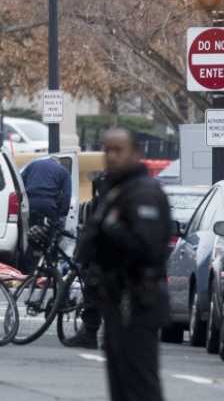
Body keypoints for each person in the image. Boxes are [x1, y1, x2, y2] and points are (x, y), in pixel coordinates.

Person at [78, 128, 171, 401]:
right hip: (115, 300)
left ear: (136, 154)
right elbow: (90, 245)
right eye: (107, 150)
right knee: (120, 386)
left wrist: (114, 231)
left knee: (140, 384)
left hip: (138, 299)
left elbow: (147, 248)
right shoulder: (114, 191)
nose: (112, 156)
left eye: (119, 150)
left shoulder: (144, 193)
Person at [63, 172, 110, 349]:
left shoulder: (102, 202)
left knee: (94, 292)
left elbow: (93, 232)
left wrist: (81, 257)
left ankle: (89, 333)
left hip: (103, 255)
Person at [20, 156, 71, 273]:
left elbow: (19, 183)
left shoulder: (32, 164)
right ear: (58, 163)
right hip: (48, 207)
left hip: (30, 205)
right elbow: (67, 195)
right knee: (49, 238)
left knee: (32, 236)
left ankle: (28, 268)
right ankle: (46, 267)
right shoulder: (63, 171)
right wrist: (60, 215)